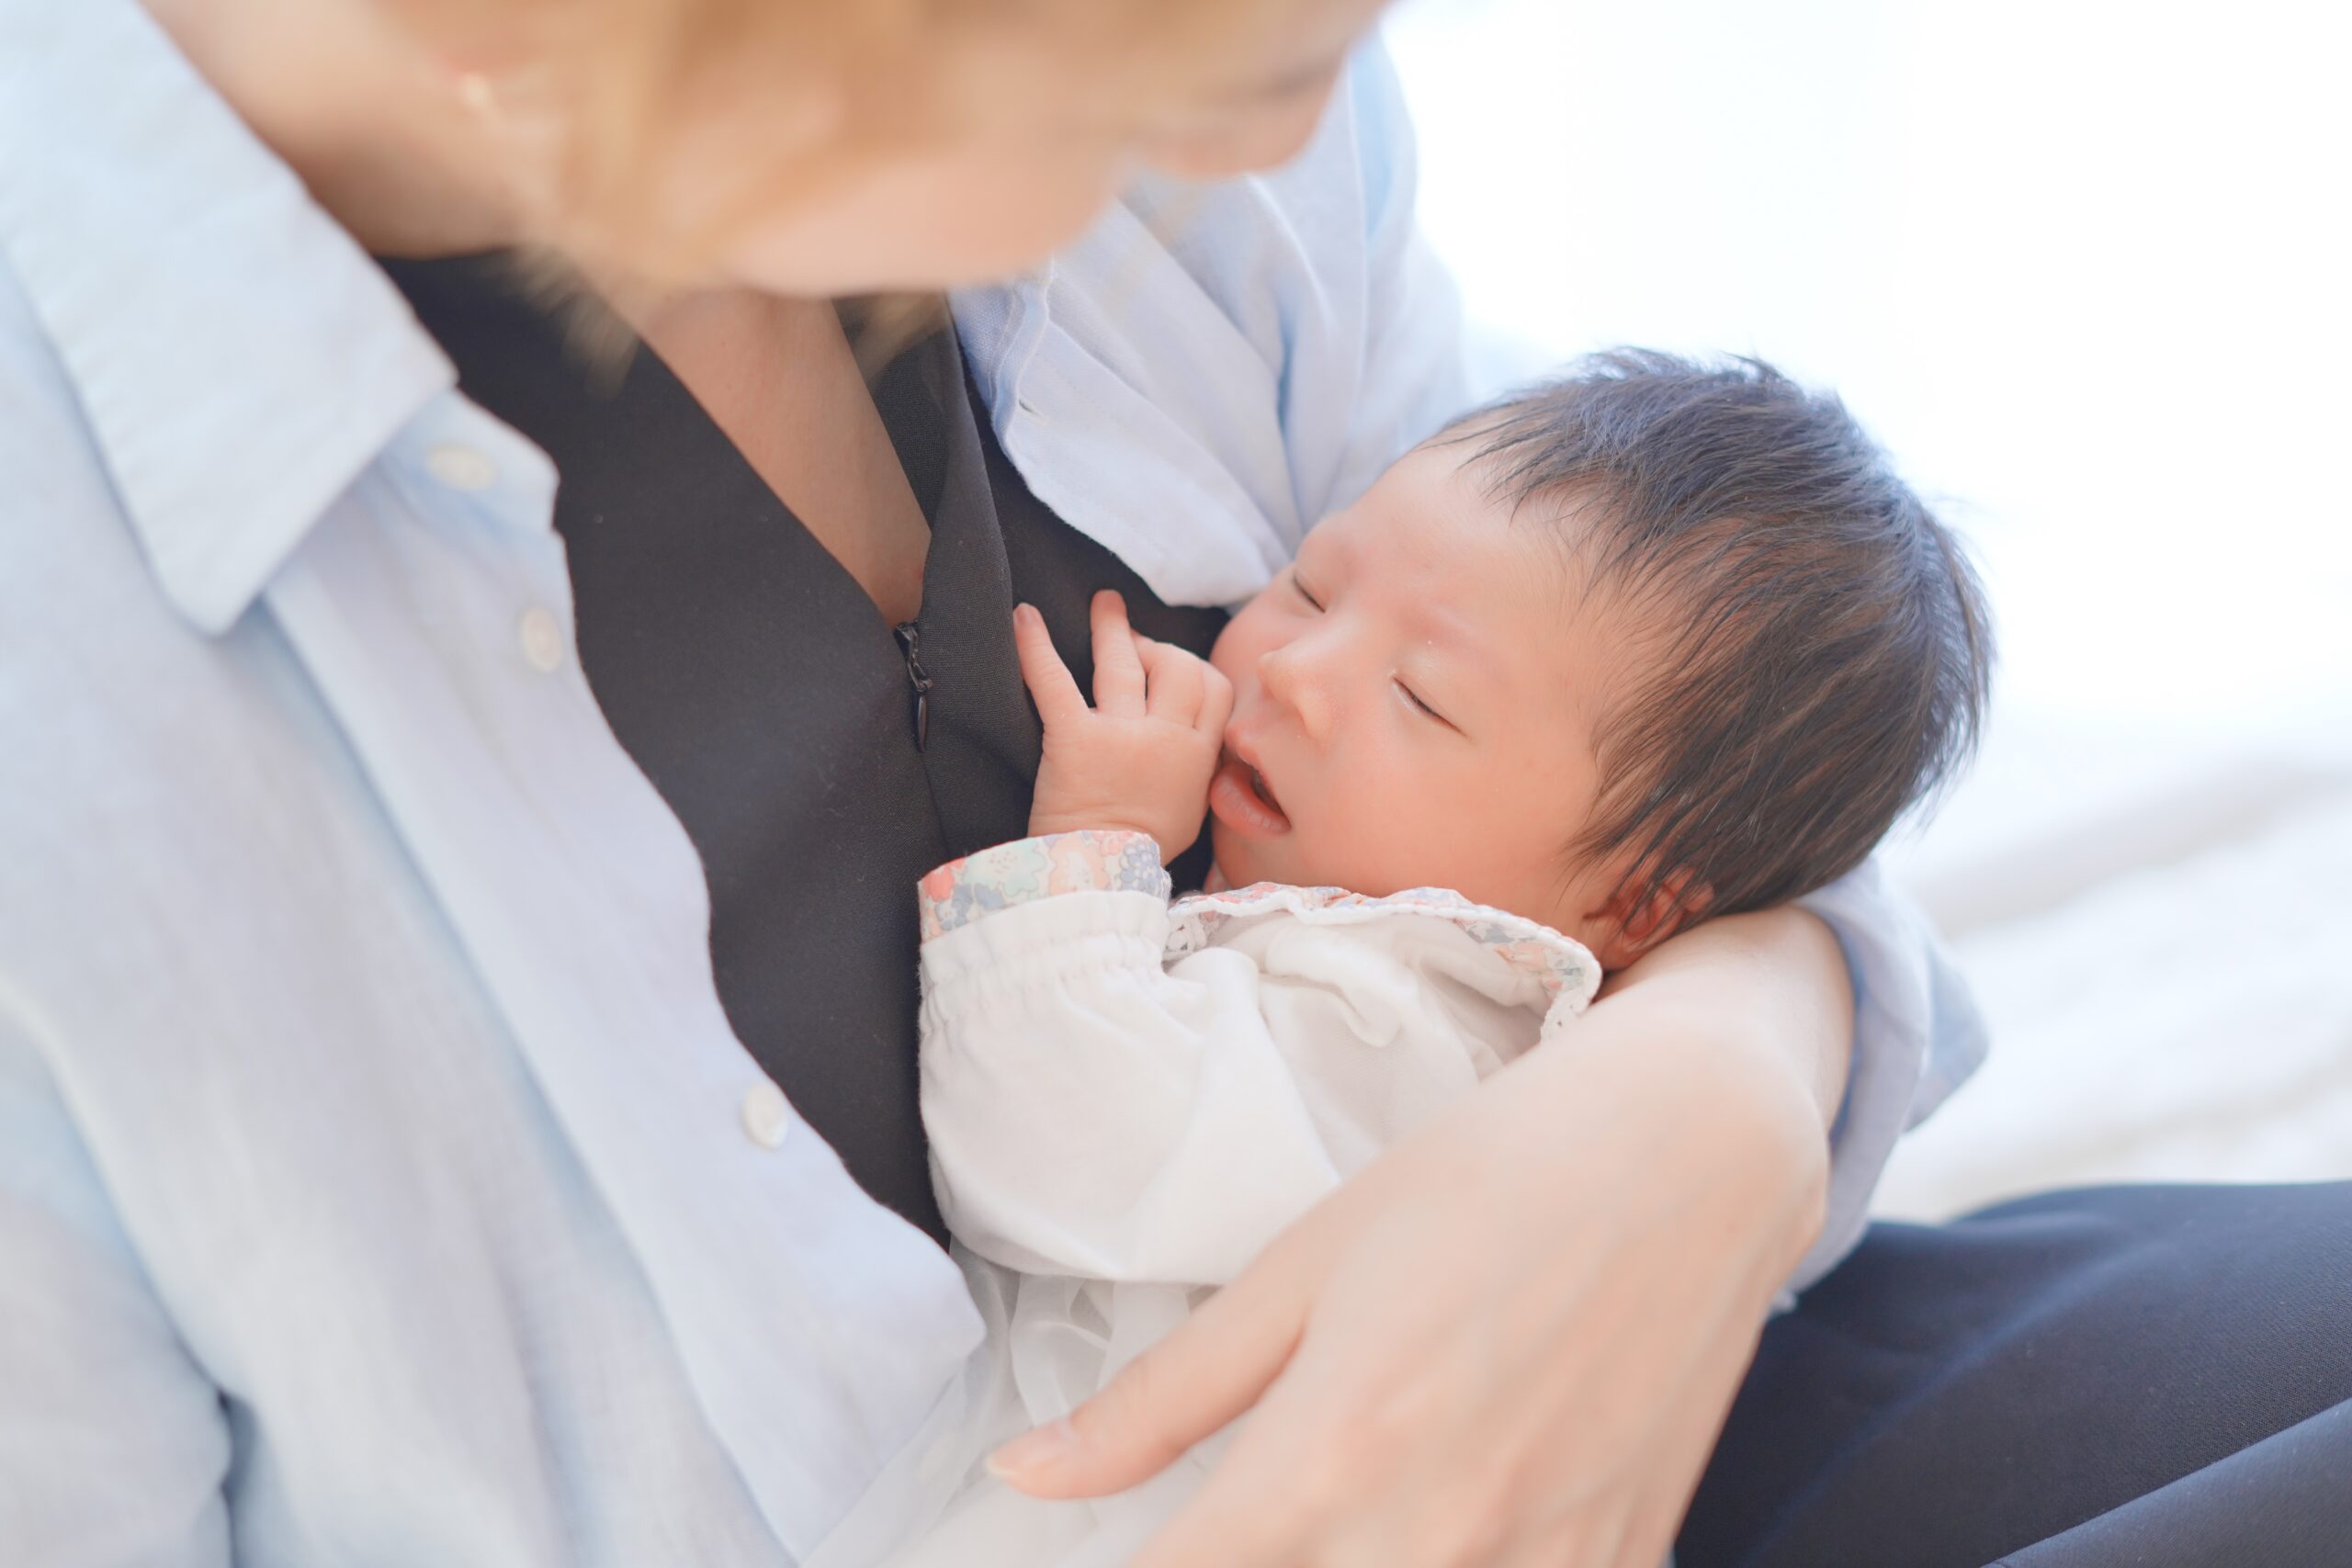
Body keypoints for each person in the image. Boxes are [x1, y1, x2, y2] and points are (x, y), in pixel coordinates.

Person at [0, 1, 2342, 1566]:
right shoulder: (91, 641)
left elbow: (1667, 680)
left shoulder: (1154, 168)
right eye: (1221, 51)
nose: (1294, 131)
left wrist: (1719, 1088)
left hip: (1672, 1385)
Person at [812, 351, 1992, 1568]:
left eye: (1423, 699)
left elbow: (1061, 1152)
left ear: (1633, 903)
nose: (1292, 671)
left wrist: (1089, 850)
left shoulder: (1405, 1024)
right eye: (1312, 588)